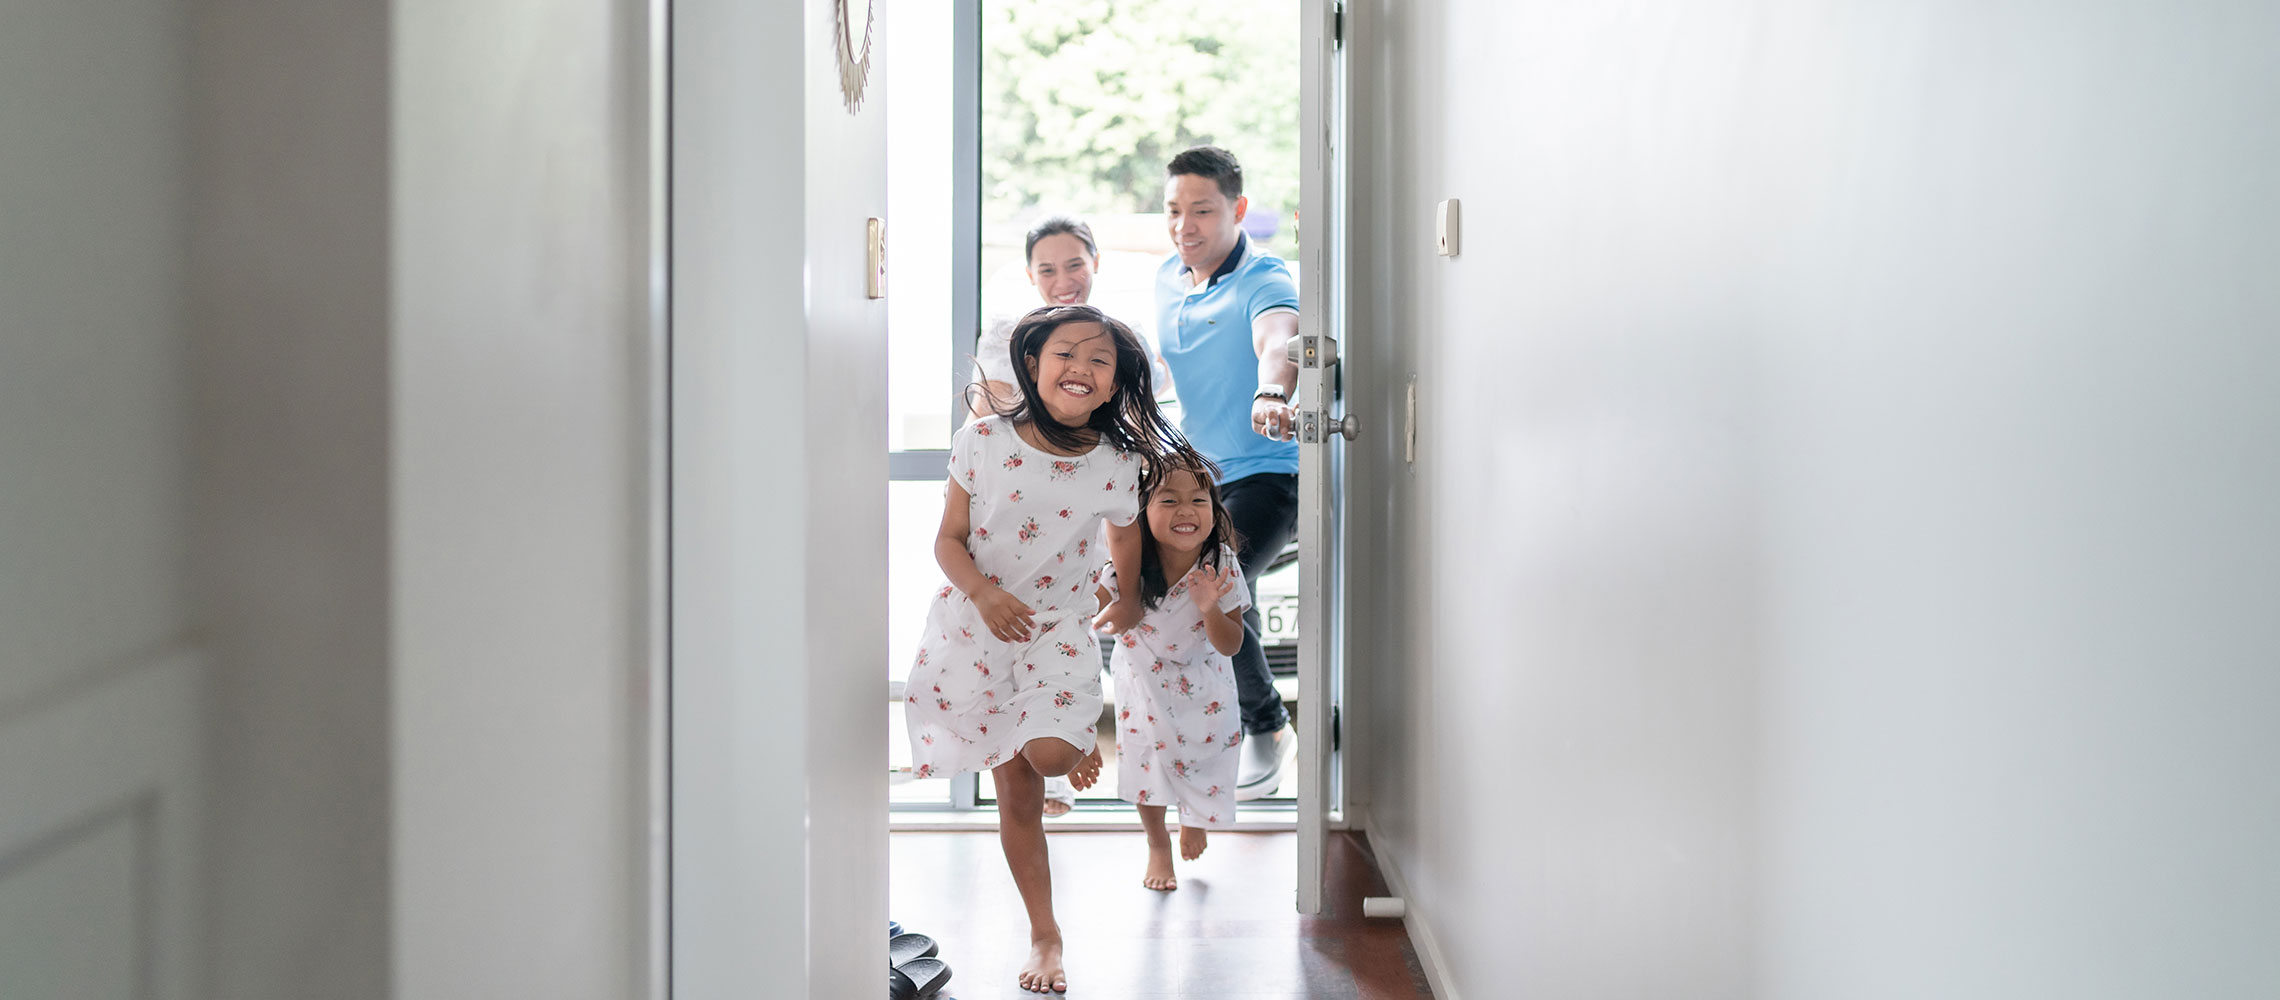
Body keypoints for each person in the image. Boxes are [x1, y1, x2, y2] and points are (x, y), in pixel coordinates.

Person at [905, 304, 1180, 994]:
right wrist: (985, 594)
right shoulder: (982, 439)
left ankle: (1071, 730)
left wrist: (1128, 595)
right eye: (1065, 354)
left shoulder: (1119, 464)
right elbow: (947, 539)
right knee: (1019, 797)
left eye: (1099, 360)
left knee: (1051, 753)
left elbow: (1124, 540)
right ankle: (1046, 936)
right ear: (1033, 364)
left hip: (1056, 627)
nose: (1080, 369)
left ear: (1116, 384)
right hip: (979, 625)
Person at [968, 215, 1160, 816]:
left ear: (1095, 263)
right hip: (1013, 513)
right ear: (1030, 275)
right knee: (1010, 647)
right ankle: (1049, 764)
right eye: (1047, 268)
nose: (1063, 278)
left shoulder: (1120, 341)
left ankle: (1071, 735)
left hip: (1086, 510)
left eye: (1073, 264)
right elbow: (986, 407)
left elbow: (1137, 423)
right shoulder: (1009, 334)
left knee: (1074, 627)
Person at [1152, 145, 1301, 799]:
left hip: (1269, 472)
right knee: (1192, 578)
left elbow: (1281, 337)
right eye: (1174, 210)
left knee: (1214, 575)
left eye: (1203, 211)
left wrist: (1273, 392)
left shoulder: (1263, 279)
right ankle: (1204, 731)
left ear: (1238, 210)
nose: (1186, 225)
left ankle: (1267, 726)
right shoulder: (1167, 277)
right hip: (1199, 477)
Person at [1100, 449, 1249, 891]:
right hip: (1142, 686)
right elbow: (1092, 608)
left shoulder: (1221, 563)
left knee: (1205, 758)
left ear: (1214, 510)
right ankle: (1157, 845)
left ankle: (1196, 816)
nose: (1186, 511)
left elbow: (1232, 643)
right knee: (1147, 765)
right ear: (1142, 512)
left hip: (1205, 686)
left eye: (1198, 500)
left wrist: (1210, 610)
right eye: (1168, 500)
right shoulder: (1127, 564)